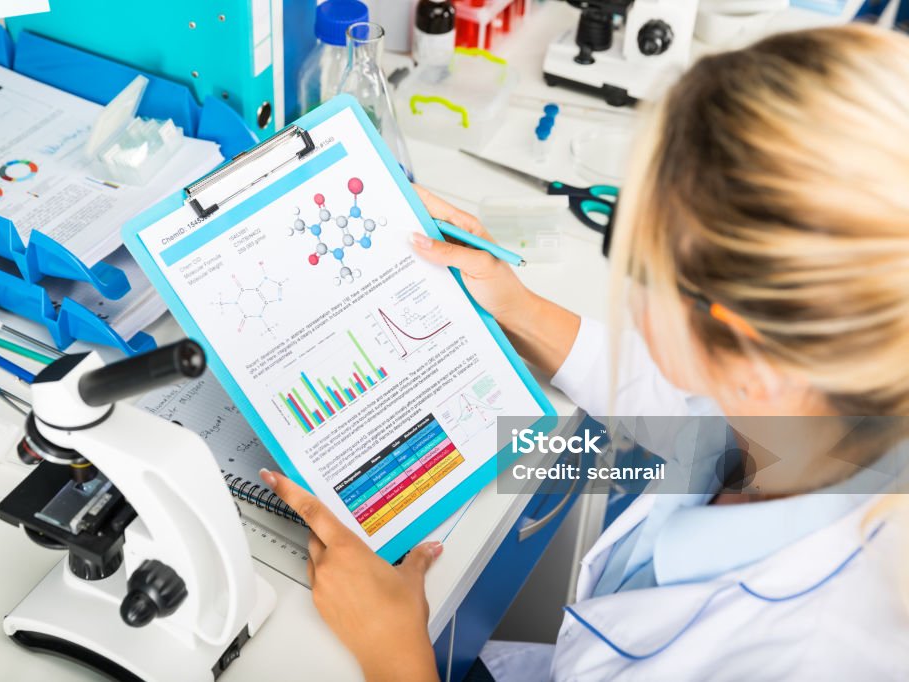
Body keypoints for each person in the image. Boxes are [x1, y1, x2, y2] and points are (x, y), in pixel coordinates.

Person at [259, 24, 909, 681]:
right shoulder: (823, 416)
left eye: (643, 264)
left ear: (751, 357)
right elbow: (686, 407)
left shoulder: (806, 656)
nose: (627, 292)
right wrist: (515, 305)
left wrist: (395, 652)